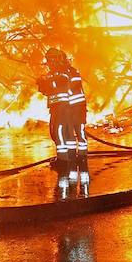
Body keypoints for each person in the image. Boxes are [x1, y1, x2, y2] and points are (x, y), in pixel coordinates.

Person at [37, 47, 90, 192]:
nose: (49, 63)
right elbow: (51, 89)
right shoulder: (58, 73)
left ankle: (75, 158)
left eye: (51, 60)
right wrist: (43, 84)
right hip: (64, 107)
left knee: (73, 132)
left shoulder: (68, 72)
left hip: (72, 107)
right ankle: (72, 157)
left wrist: (47, 82)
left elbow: (61, 86)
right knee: (65, 134)